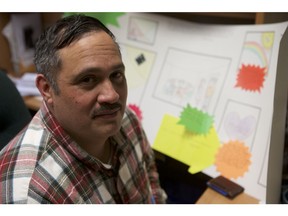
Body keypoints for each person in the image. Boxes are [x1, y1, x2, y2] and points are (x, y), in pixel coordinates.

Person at [0, 14, 167, 204]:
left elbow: (149, 175)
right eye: (88, 79)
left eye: (116, 75)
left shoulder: (125, 119)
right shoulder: (31, 196)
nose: (112, 95)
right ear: (47, 89)